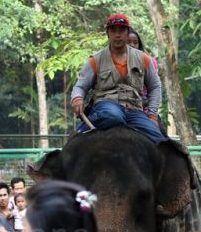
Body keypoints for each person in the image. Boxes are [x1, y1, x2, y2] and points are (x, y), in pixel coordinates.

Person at [70, 14, 164, 144]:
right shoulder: (95, 60)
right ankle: (82, 130)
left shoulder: (143, 58)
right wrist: (77, 98)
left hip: (134, 110)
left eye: (121, 31)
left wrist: (152, 114)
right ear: (108, 34)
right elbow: (80, 86)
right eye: (113, 30)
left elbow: (155, 86)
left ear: (127, 33)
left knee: (159, 140)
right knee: (114, 117)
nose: (117, 35)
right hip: (107, 105)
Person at [126, 28, 160, 113]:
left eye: (135, 42)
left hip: (143, 105)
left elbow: (154, 87)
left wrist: (151, 111)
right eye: (128, 42)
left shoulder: (149, 61)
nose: (132, 45)